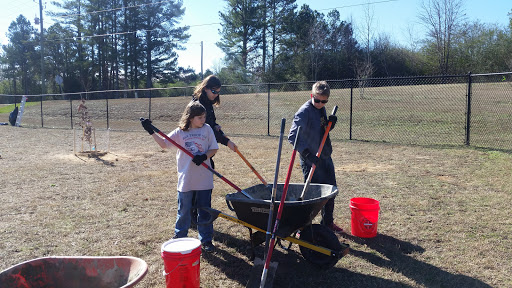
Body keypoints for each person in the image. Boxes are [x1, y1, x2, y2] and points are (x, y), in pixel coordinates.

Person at [141, 101, 219, 252]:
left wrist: (203, 156)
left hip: (204, 179)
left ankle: (206, 240)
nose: (203, 120)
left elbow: (214, 148)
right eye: (199, 118)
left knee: (205, 210)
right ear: (190, 118)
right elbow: (164, 144)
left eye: (204, 117)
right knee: (183, 210)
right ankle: (180, 236)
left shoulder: (207, 129)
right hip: (186, 178)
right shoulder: (180, 132)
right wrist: (151, 131)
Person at [287, 80, 343, 234]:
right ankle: (303, 226)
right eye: (317, 100)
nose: (319, 104)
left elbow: (322, 130)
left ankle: (328, 222)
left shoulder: (321, 109)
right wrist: (308, 155)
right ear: (312, 95)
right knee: (312, 194)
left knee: (331, 190)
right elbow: (292, 136)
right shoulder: (304, 112)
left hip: (324, 155)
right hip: (310, 158)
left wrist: (330, 124)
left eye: (323, 102)